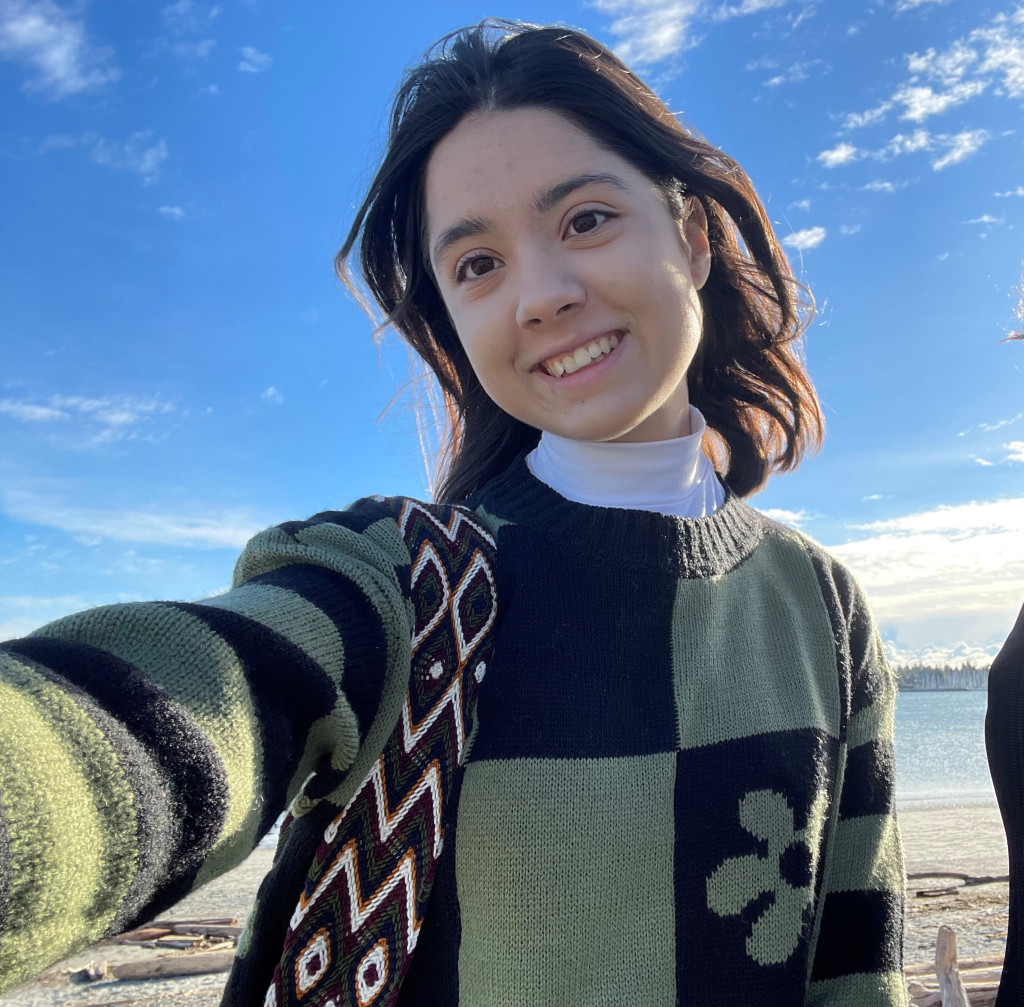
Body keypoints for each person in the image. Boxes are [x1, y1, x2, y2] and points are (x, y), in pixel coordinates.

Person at [0, 20, 907, 1007]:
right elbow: (185, 704)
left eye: (585, 220)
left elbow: (858, 966)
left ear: (689, 236)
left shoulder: (823, 608)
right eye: (477, 265)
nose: (542, 296)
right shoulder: (400, 581)